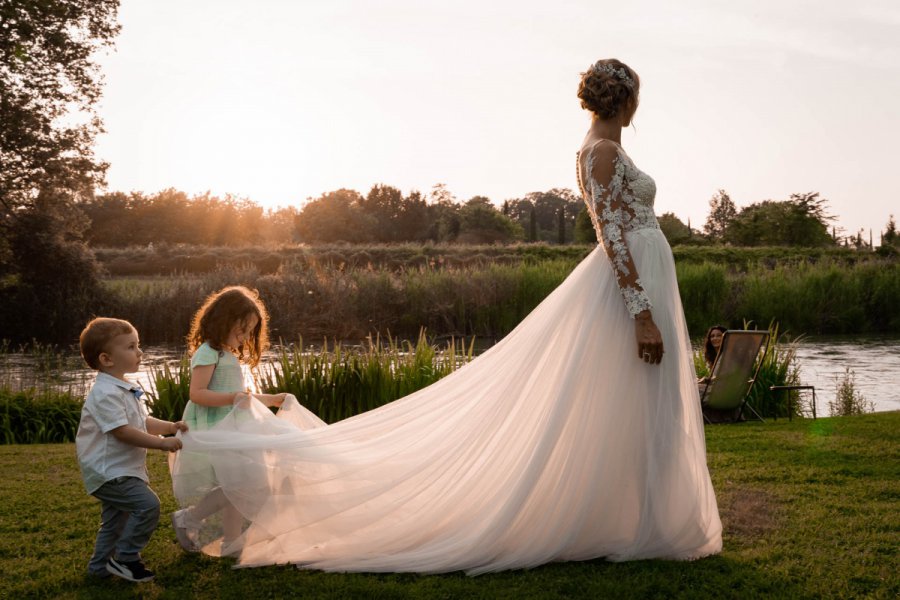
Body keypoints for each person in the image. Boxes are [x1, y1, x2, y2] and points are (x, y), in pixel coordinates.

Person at [172, 58, 722, 573]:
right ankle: (638, 520)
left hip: (645, 278)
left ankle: (638, 515)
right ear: (626, 98)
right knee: (635, 388)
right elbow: (610, 233)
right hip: (631, 286)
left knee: (637, 399)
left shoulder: (603, 147)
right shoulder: (600, 150)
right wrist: (640, 311)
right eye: (636, 97)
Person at [169, 286, 289, 556]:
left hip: (234, 426)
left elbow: (238, 396)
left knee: (238, 482)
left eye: (249, 332)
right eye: (242, 330)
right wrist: (234, 398)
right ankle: (189, 517)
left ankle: (230, 541)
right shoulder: (208, 352)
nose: (246, 337)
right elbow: (197, 394)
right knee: (241, 482)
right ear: (224, 320)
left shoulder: (227, 354)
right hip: (217, 427)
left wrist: (270, 399)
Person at [75, 317, 187, 583]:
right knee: (147, 506)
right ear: (106, 359)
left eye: (138, 345)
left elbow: (141, 422)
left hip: (121, 469)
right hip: (109, 471)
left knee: (115, 522)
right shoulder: (104, 393)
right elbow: (122, 431)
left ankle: (99, 568)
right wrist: (161, 443)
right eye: (131, 347)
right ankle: (126, 558)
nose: (139, 352)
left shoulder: (125, 387)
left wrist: (170, 426)